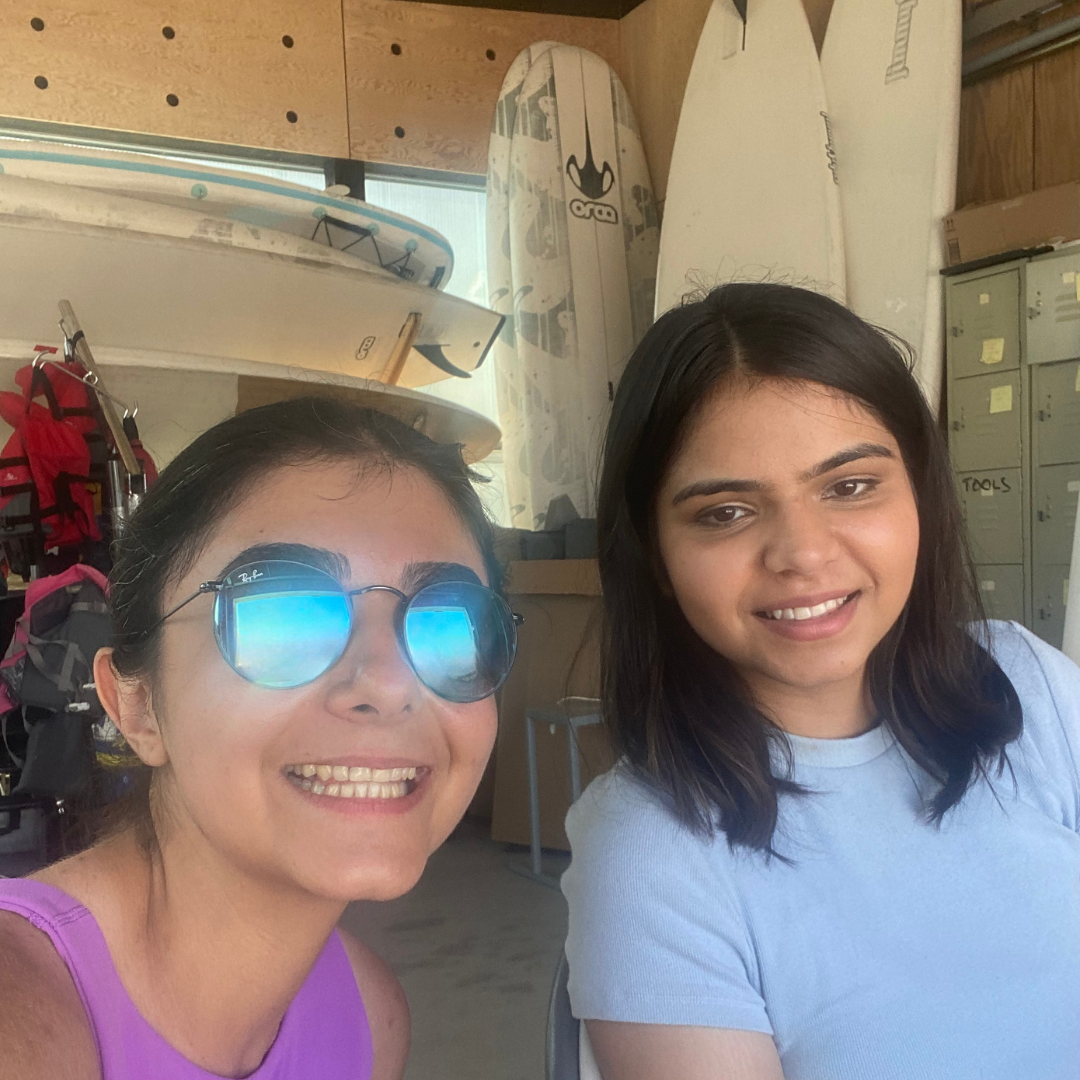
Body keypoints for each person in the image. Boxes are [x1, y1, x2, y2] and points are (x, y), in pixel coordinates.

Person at [562, 284, 1080, 1080]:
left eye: (849, 486)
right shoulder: (648, 847)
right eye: (726, 512)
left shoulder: (1025, 685)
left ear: (922, 497)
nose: (802, 554)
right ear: (656, 559)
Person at [0, 397, 520, 1080]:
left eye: (450, 625)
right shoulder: (22, 1009)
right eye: (283, 618)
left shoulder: (371, 1017)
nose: (391, 684)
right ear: (137, 706)